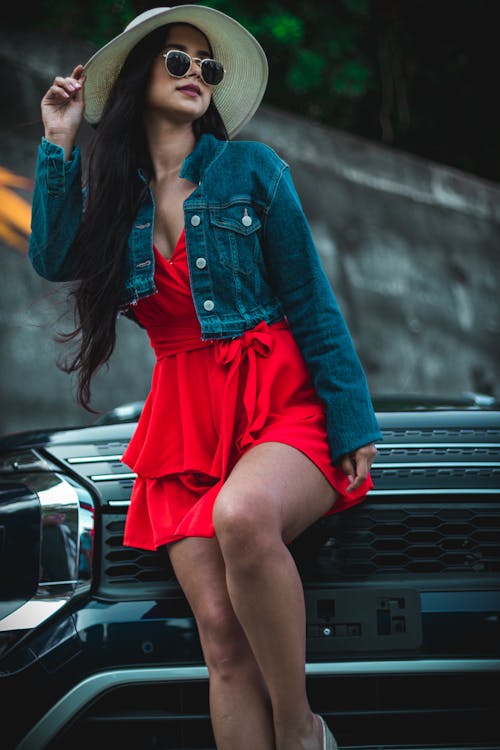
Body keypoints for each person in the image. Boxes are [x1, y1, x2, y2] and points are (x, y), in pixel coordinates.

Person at [29, 6, 382, 749]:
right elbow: (55, 258)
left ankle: (300, 731)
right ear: (136, 78)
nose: (198, 75)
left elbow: (314, 305)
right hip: (186, 421)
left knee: (243, 516)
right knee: (221, 641)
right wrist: (59, 143)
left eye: (208, 67)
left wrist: (353, 420)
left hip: (280, 399)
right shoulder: (114, 201)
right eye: (179, 60)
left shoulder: (250, 170)